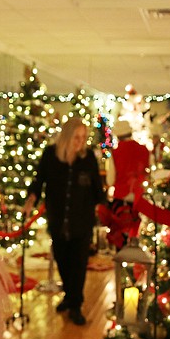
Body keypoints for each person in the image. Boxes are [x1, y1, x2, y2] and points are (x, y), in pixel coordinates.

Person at [23, 117, 105, 326]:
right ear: (67, 136)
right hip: (58, 219)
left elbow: (97, 189)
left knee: (78, 264)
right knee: (62, 260)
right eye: (77, 137)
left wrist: (107, 207)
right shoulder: (51, 155)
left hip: (82, 220)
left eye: (84, 137)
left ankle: (76, 305)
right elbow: (39, 180)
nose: (80, 142)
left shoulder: (87, 159)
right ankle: (69, 297)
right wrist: (31, 199)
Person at [100, 119, 149, 249]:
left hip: (121, 198)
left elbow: (111, 180)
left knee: (120, 236)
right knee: (139, 233)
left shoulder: (115, 153)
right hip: (140, 198)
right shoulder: (144, 150)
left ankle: (121, 262)